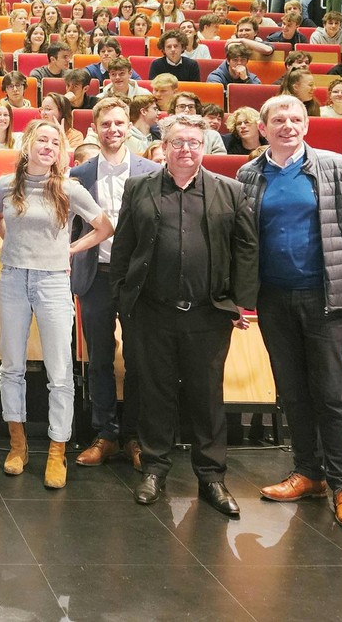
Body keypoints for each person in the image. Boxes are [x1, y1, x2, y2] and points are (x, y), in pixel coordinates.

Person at [237, 94, 342, 531]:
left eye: (296, 118)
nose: (288, 125)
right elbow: (241, 241)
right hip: (274, 300)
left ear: (307, 125)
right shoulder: (249, 174)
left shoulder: (336, 167)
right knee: (293, 391)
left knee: (331, 395)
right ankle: (309, 472)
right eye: (278, 119)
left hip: (328, 298)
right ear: (262, 128)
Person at [110, 114, 259, 516]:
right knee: (155, 392)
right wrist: (124, 298)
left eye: (194, 142)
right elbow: (123, 245)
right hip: (152, 312)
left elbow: (246, 248)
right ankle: (154, 469)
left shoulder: (230, 190)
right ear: (164, 146)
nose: (186, 149)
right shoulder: (138, 187)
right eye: (178, 142)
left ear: (204, 146)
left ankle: (211, 477)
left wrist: (240, 304)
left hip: (208, 314)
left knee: (206, 396)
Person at [0, 119, 113, 489]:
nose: (47, 146)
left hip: (52, 282)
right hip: (13, 277)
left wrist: (71, 249)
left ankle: (56, 451)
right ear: (28, 144)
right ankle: (18, 445)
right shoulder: (4, 185)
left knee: (59, 372)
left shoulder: (68, 188)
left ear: (61, 151)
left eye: (54, 142)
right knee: (11, 366)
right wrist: (10, 241)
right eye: (41, 140)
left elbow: (104, 226)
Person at [70, 97, 161, 470]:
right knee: (100, 359)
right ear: (95, 127)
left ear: (129, 126)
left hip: (139, 280)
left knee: (139, 359)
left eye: (119, 123)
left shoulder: (152, 171)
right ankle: (105, 433)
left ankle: (133, 436)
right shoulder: (79, 175)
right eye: (105, 124)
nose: (113, 130)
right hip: (95, 277)